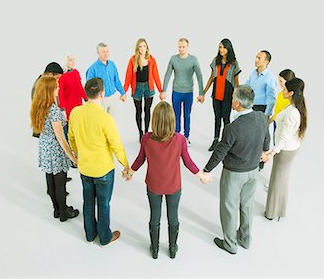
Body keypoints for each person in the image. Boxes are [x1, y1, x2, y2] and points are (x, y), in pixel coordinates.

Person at [124, 101, 211, 259]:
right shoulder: (180, 139)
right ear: (173, 121)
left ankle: (155, 249)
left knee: (154, 216)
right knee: (173, 217)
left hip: (153, 186)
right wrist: (202, 176)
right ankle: (172, 248)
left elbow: (139, 160)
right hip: (174, 187)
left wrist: (130, 173)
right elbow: (188, 162)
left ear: (154, 120)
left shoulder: (146, 139)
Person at [203, 85, 270, 254]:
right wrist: (264, 153)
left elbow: (220, 152)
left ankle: (230, 244)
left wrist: (206, 169)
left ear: (238, 103)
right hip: (253, 171)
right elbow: (266, 140)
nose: (231, 100)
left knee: (229, 207)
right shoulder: (262, 118)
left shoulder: (232, 128)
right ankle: (245, 239)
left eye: (233, 98)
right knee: (247, 206)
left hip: (234, 173)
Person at [68, 77, 130, 246]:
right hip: (103, 170)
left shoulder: (75, 113)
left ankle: (89, 235)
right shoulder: (106, 118)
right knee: (103, 204)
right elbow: (116, 145)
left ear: (86, 93)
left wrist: (79, 153)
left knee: (88, 201)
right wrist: (126, 164)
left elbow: (71, 137)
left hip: (84, 168)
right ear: (102, 94)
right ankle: (104, 237)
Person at [30, 76, 80, 222]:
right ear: (49, 90)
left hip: (44, 148)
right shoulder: (53, 110)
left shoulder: (37, 106)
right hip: (55, 150)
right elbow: (60, 138)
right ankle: (64, 211)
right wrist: (73, 158)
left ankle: (56, 209)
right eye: (56, 87)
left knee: (50, 180)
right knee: (60, 183)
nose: (59, 88)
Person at [261, 78, 308, 221]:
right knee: (282, 179)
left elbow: (283, 137)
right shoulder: (294, 107)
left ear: (291, 93)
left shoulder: (292, 113)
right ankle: (278, 210)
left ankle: (271, 212)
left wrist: (271, 153)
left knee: (277, 180)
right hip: (290, 148)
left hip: (284, 151)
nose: (283, 91)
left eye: (285, 89)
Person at [160, 38, 204, 146]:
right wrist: (164, 90)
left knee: (187, 115)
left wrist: (201, 92)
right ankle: (176, 135)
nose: (181, 49)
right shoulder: (173, 59)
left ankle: (186, 136)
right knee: (175, 115)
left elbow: (199, 75)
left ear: (187, 47)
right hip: (176, 91)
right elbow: (168, 74)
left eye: (183, 47)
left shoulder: (194, 60)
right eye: (179, 46)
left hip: (188, 92)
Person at [203, 38, 241, 151]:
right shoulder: (215, 61)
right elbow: (211, 77)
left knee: (226, 119)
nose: (221, 49)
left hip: (228, 95)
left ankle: (227, 141)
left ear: (229, 49)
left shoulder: (234, 63)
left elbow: (236, 82)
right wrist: (204, 91)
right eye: (220, 47)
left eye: (224, 47)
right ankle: (215, 139)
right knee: (217, 118)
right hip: (216, 94)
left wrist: (236, 97)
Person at [124, 38, 162, 141]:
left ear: (147, 47)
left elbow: (156, 75)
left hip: (148, 87)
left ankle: (146, 132)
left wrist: (161, 90)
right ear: (137, 48)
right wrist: (124, 91)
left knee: (147, 110)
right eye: (140, 46)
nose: (142, 48)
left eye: (144, 46)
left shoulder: (151, 59)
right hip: (137, 88)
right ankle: (140, 133)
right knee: (138, 111)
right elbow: (128, 76)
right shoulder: (133, 60)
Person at [85, 43, 126, 116]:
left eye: (107, 51)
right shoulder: (93, 68)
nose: (106, 54)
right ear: (98, 53)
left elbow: (116, 80)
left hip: (113, 97)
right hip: (100, 100)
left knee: (112, 122)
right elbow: (89, 87)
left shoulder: (112, 64)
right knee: (101, 121)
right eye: (103, 52)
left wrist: (123, 93)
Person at [58, 53, 88, 139]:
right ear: (66, 61)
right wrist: (62, 108)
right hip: (68, 106)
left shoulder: (76, 72)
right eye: (70, 60)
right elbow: (61, 94)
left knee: (78, 127)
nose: (73, 62)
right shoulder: (62, 76)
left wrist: (86, 98)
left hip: (78, 104)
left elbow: (80, 87)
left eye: (74, 60)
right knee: (68, 129)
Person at [31, 62, 64, 138]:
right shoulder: (41, 86)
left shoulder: (40, 83)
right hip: (48, 127)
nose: (58, 81)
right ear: (50, 75)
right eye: (57, 77)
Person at [245, 50, 277, 117]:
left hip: (262, 108)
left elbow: (271, 99)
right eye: (256, 57)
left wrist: (267, 114)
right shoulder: (253, 73)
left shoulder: (269, 77)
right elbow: (246, 87)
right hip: (251, 106)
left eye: (259, 58)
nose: (256, 60)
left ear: (266, 62)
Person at [269, 69, 296, 142]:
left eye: (281, 81)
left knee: (280, 143)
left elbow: (283, 114)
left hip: (283, 125)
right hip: (276, 122)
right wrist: (271, 120)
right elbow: (277, 111)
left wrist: (270, 121)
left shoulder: (290, 99)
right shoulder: (281, 94)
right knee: (275, 142)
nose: (279, 83)